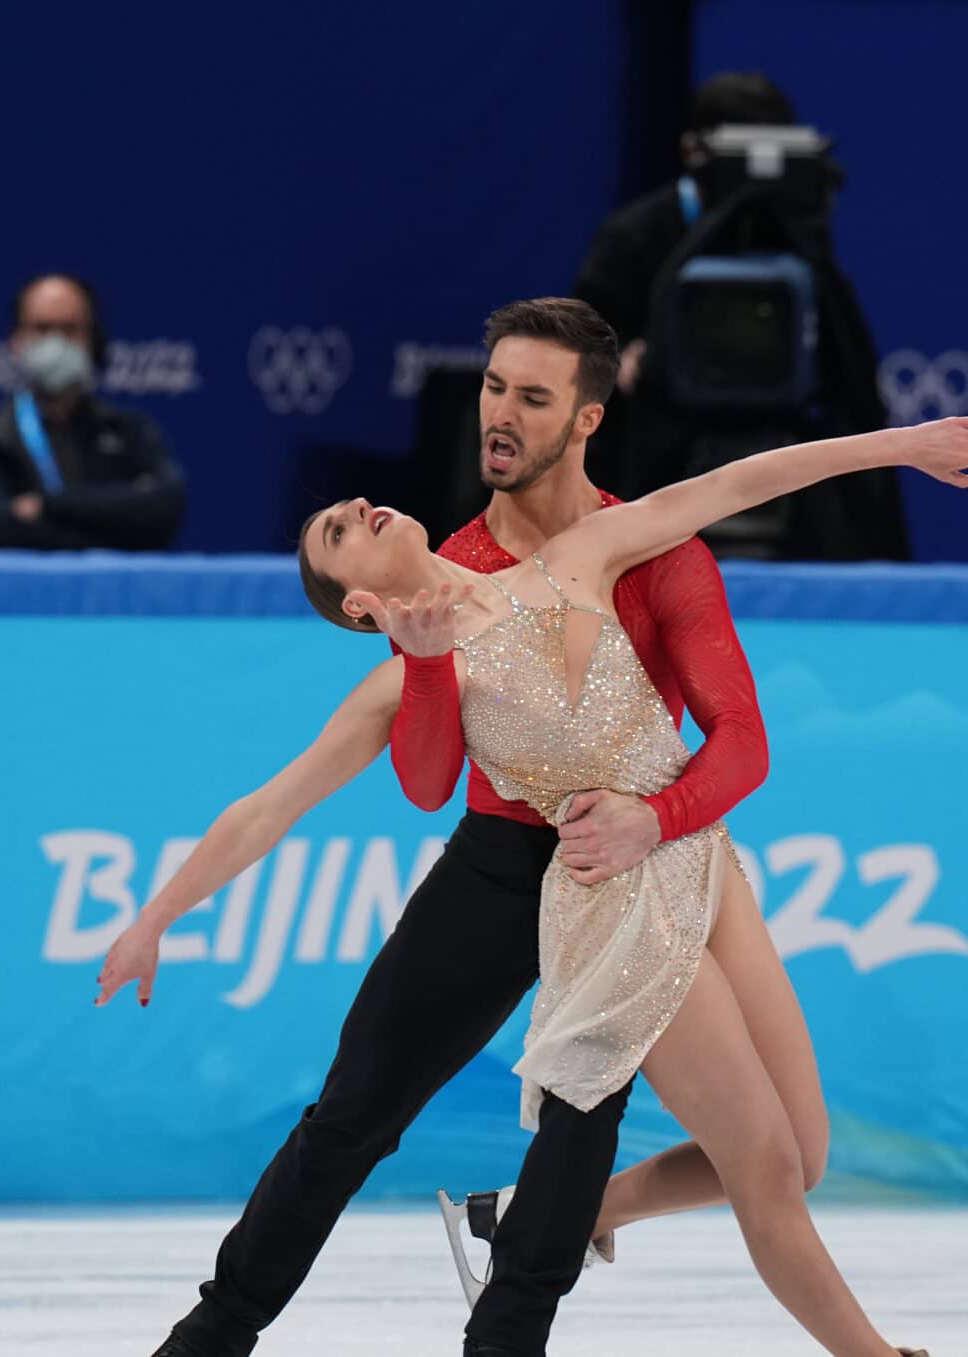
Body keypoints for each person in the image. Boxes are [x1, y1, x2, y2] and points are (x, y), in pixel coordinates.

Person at [100, 299, 770, 1357]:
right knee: (353, 1114)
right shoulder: (441, 581)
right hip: (500, 869)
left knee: (608, 1110)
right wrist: (155, 916)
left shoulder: (632, 542)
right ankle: (209, 1337)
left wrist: (656, 820)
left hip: (622, 858)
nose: (499, 409)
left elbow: (738, 705)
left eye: (529, 393)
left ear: (583, 417)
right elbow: (364, 789)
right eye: (493, 386)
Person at [291, 365, 968, 1353]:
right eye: (337, 530)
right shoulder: (423, 668)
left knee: (801, 1153)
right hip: (617, 897)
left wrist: (898, 446)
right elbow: (420, 782)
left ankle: (537, 1217)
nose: (357, 509)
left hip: (693, 852)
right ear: (361, 603)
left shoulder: (565, 557)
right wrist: (422, 662)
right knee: (763, 1165)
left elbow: (729, 486)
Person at [572, 72, 906, 561]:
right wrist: (622, 357)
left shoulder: (799, 239)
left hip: (787, 447)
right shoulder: (635, 234)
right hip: (665, 445)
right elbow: (581, 339)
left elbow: (844, 356)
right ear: (692, 153)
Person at [0, 273, 185, 550]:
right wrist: (111, 525)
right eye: (42, 329)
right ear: (15, 341)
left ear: (93, 340)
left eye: (70, 329)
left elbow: (162, 511)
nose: (56, 343)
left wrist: (45, 506)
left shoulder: (129, 432)